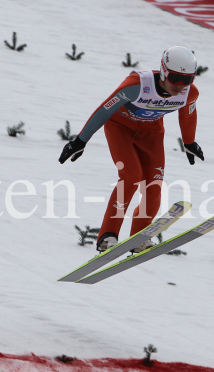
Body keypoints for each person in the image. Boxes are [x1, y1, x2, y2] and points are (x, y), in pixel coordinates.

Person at [58, 47, 203, 252]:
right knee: (131, 176)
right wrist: (80, 141)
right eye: (175, 78)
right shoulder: (136, 86)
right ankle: (108, 235)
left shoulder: (190, 93)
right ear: (163, 71)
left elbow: (187, 116)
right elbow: (104, 110)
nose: (180, 86)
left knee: (153, 187)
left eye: (187, 80)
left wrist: (189, 143)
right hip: (120, 129)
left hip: (151, 134)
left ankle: (139, 237)